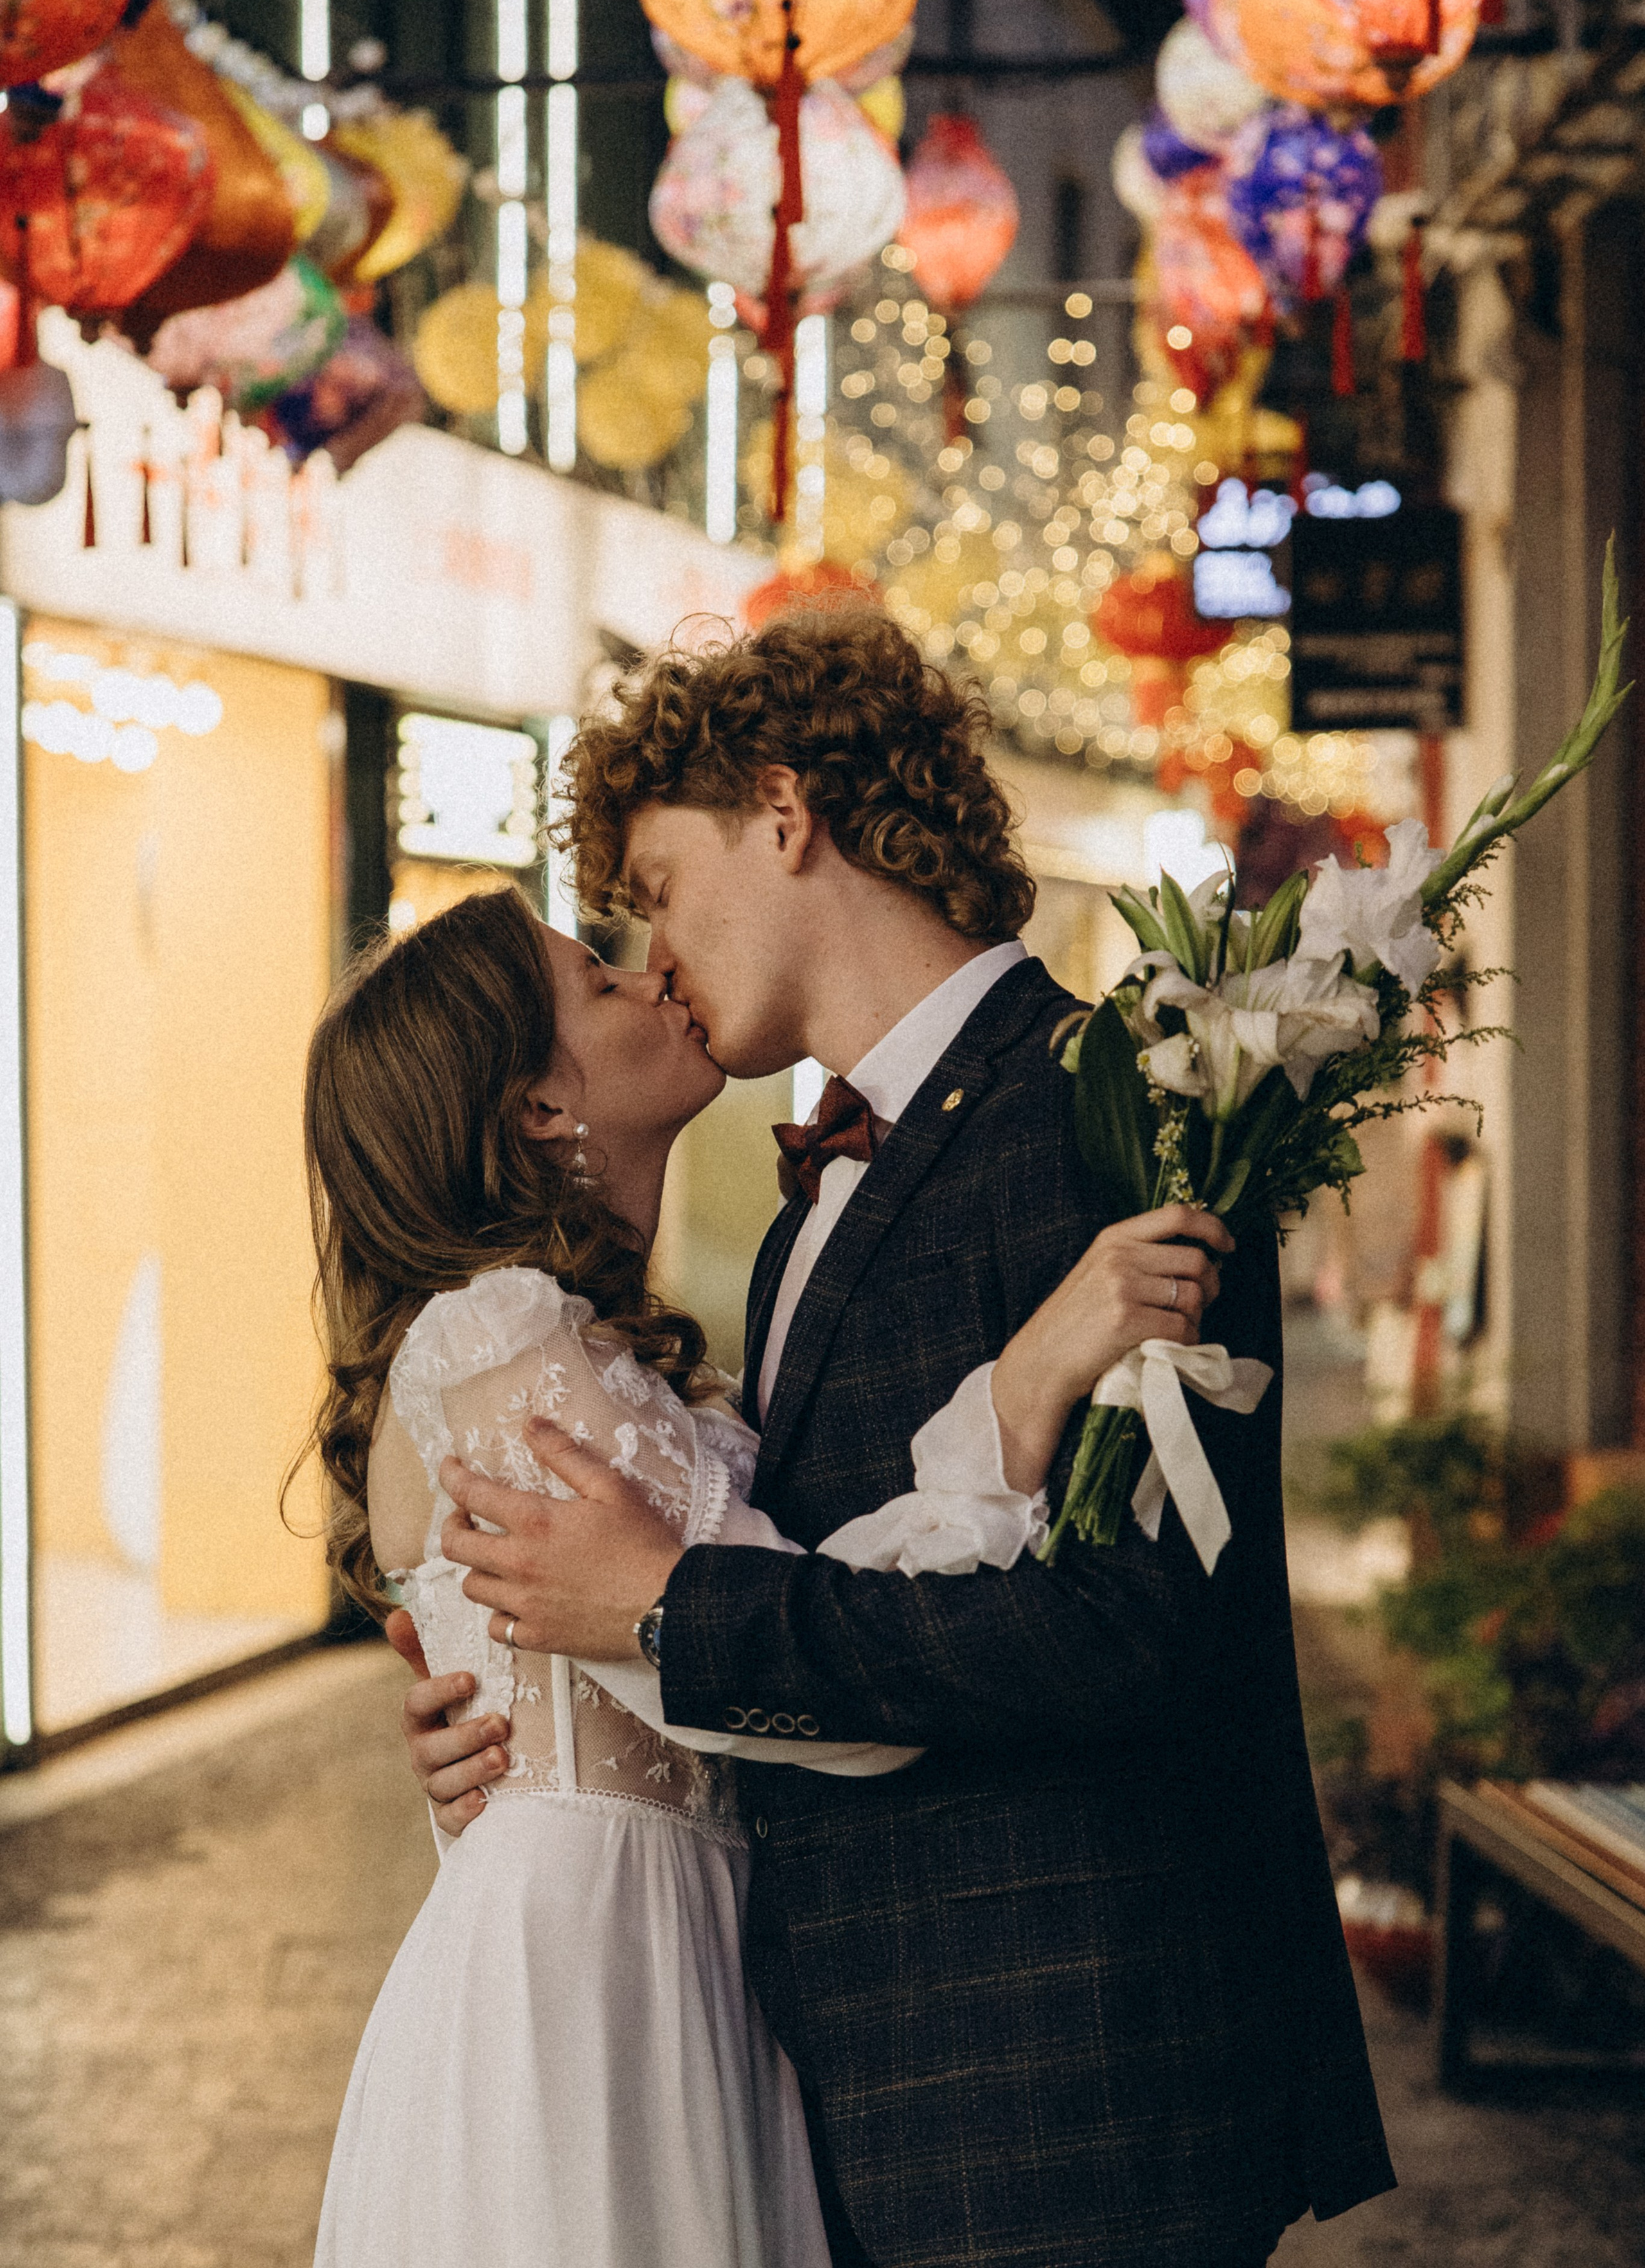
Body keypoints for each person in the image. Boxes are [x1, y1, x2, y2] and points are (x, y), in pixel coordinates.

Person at [405, 605, 1395, 2268]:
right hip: (866, 2099)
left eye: (657, 886)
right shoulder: (806, 1218)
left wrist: (660, 1614)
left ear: (783, 814)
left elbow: (1119, 1625)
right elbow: (827, 1581)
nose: (655, 963)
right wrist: (534, 1721)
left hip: (1067, 2097)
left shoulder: (1114, 1101)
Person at [305, 880, 1218, 2268]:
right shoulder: (498, 1338)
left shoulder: (576, 1337)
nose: (649, 975)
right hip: (593, 1980)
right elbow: (768, 1650)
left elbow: (718, 1613)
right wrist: (1021, 1389)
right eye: (599, 983)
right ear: (537, 1108)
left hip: (679, 1948)